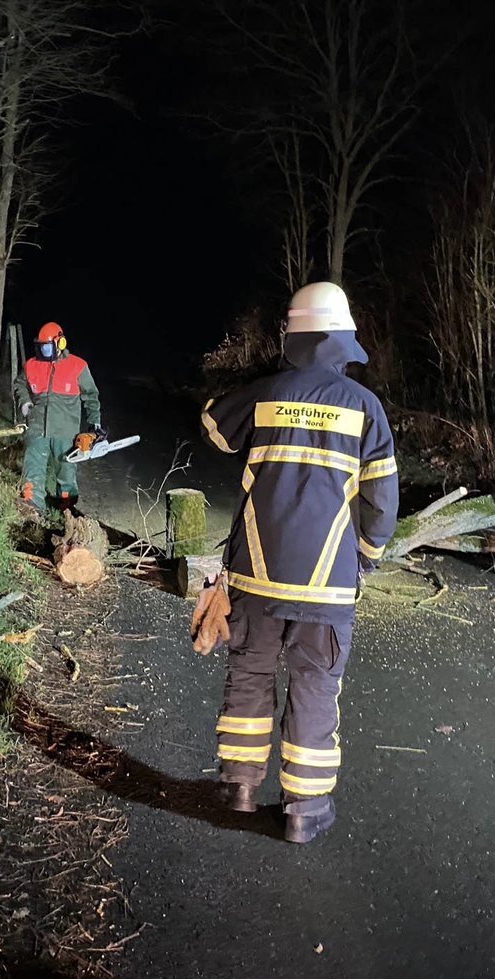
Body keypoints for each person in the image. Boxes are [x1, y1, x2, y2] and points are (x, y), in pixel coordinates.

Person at [198, 281, 399, 844]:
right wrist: (367, 556)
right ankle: (303, 813)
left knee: (250, 673)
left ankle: (239, 786)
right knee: (315, 687)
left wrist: (269, 384)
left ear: (295, 336)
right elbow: (382, 504)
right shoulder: (366, 409)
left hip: (256, 577)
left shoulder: (264, 395)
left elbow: (214, 426)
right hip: (328, 587)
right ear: (340, 341)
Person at [13, 321, 102, 513]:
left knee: (66, 472)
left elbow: (91, 396)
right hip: (37, 428)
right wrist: (25, 402)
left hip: (65, 431)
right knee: (33, 469)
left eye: (47, 347)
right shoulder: (31, 365)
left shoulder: (78, 366)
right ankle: (32, 508)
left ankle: (67, 510)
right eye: (41, 347)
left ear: (60, 344)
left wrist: (95, 423)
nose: (43, 351)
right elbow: (19, 384)